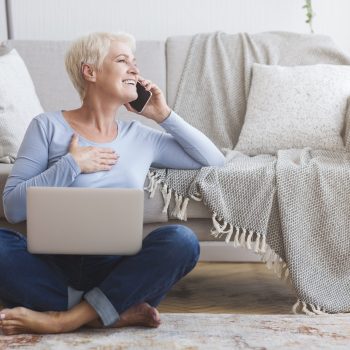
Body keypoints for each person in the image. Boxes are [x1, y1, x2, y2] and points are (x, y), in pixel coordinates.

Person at [0, 32, 225, 335]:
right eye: (122, 61)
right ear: (90, 71)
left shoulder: (141, 137)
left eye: (135, 63)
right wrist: (72, 165)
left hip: (118, 270)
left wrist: (163, 115)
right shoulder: (46, 126)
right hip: (53, 266)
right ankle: (107, 312)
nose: (135, 69)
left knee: (181, 242)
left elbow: (213, 160)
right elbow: (12, 208)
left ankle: (64, 318)